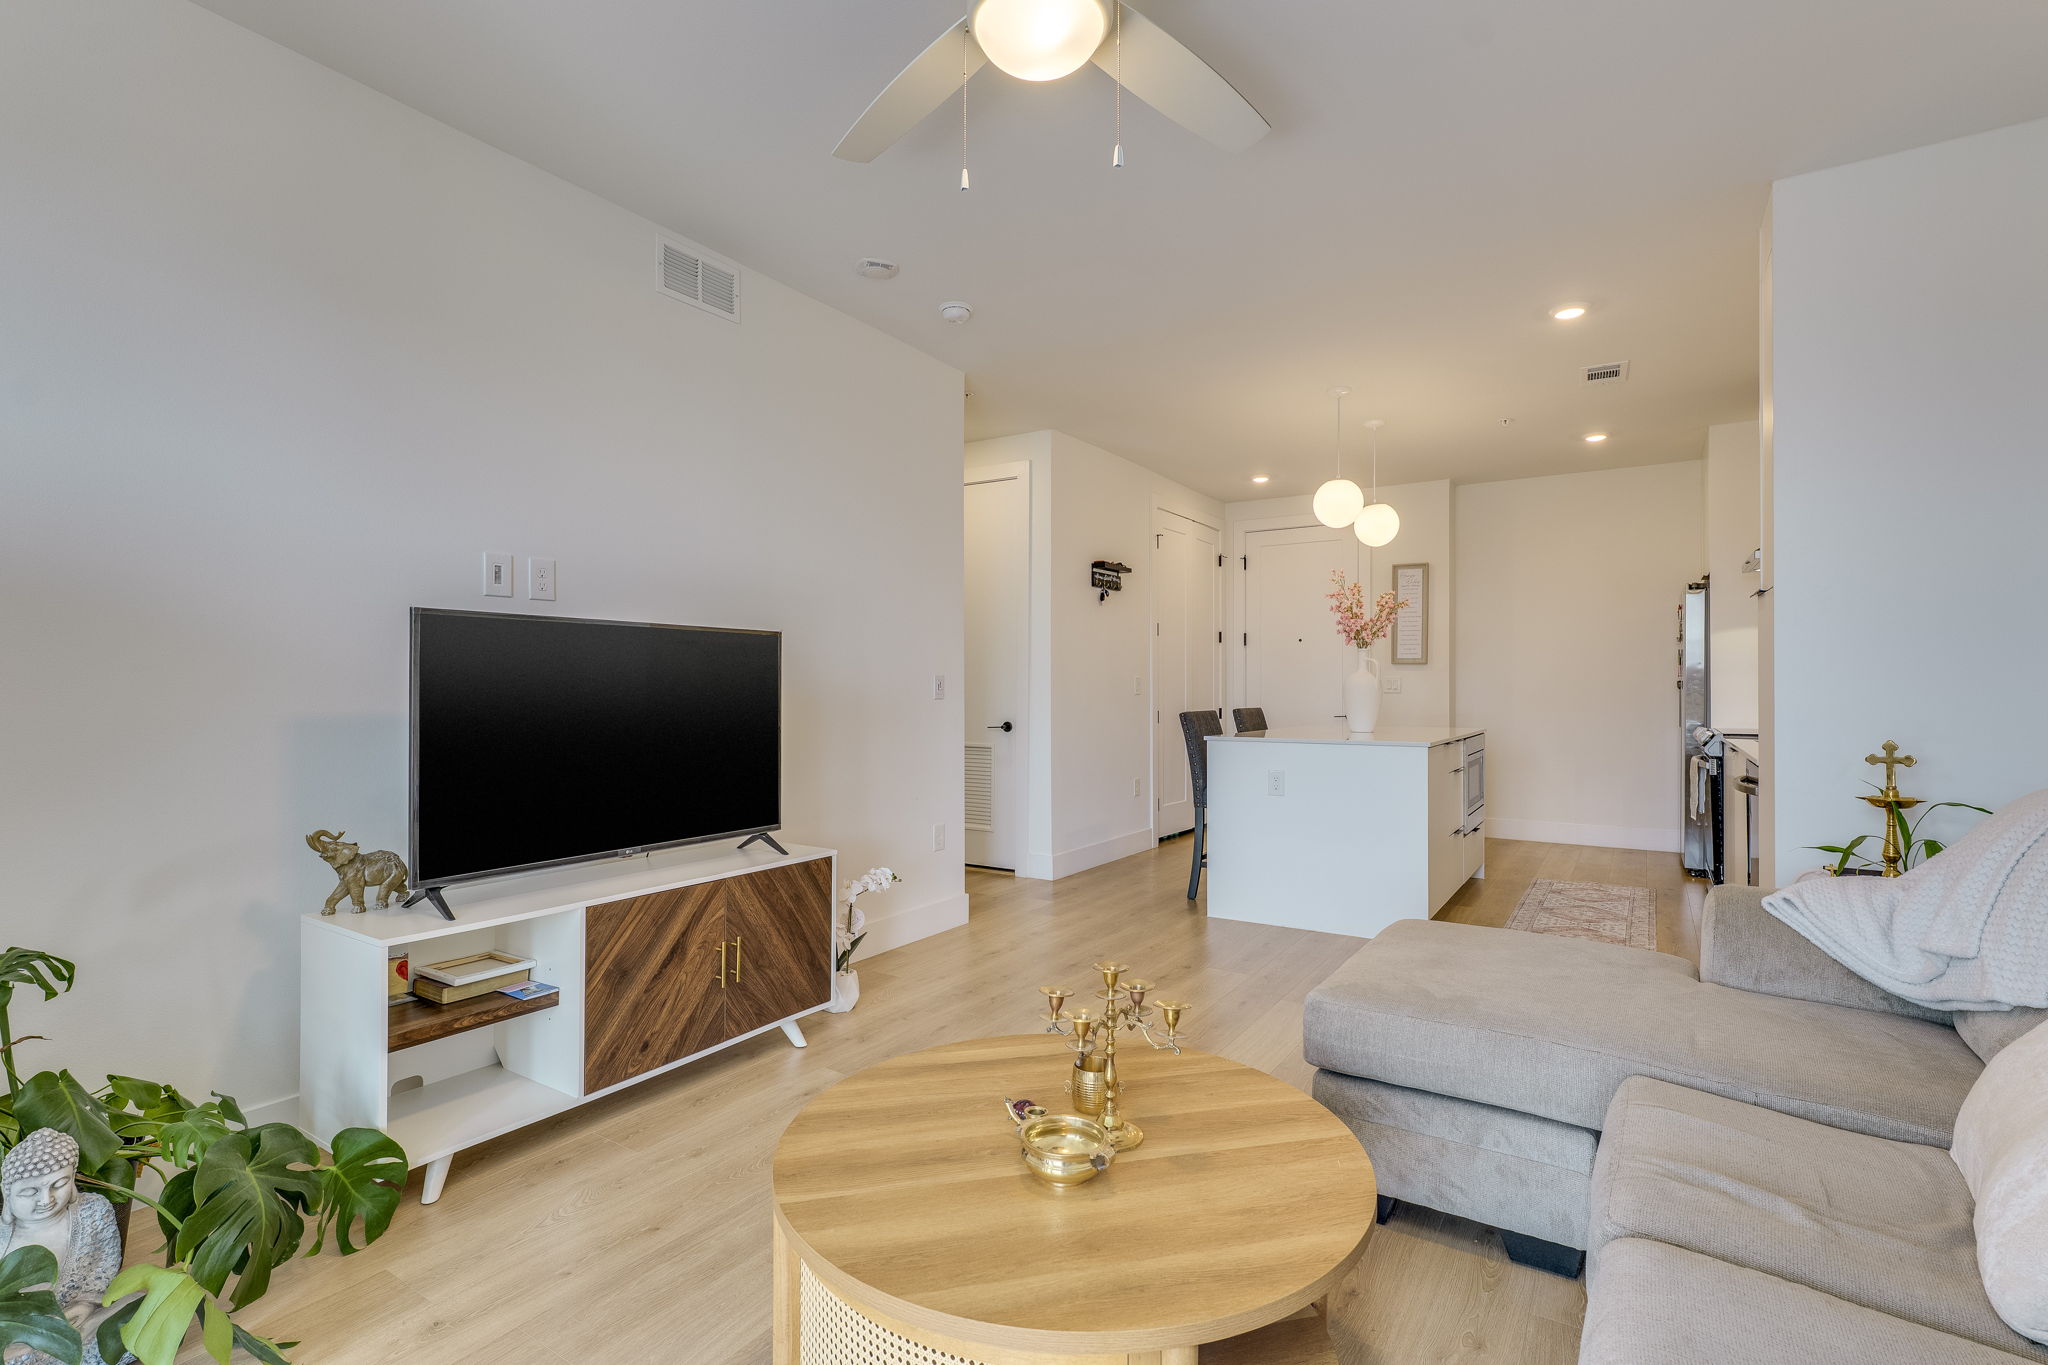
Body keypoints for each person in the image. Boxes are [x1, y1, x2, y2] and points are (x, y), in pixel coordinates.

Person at [0, 1129, 130, 1365]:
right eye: (30, 1191)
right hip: (19, 1331)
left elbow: (104, 1265)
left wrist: (87, 1303)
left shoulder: (94, 1212)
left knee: (141, 1300)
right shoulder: (2, 1234)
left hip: (78, 1320)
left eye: (59, 1184)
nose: (46, 1200)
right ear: (7, 1194)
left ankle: (51, 1353)